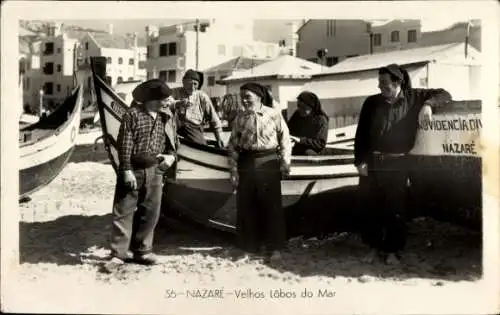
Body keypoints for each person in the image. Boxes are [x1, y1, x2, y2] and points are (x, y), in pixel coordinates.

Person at [354, 63, 451, 265]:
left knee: (395, 209)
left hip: (398, 163)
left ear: (397, 82)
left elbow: (445, 94)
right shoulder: (371, 103)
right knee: (369, 207)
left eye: (384, 82)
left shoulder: (414, 98)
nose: (379, 86)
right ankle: (373, 248)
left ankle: (391, 251)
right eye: (379, 82)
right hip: (372, 162)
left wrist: (428, 105)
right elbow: (361, 134)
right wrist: (360, 161)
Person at [103, 79, 178, 272]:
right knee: (124, 212)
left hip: (155, 169)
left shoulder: (165, 117)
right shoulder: (132, 115)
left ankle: (142, 251)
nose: (168, 102)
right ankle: (118, 255)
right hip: (133, 169)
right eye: (165, 98)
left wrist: (170, 157)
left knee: (150, 212)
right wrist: (126, 170)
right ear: (153, 99)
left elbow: (172, 142)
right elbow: (125, 144)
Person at [227, 82, 292, 261]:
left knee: (271, 206)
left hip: (269, 162)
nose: (244, 101)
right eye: (242, 97)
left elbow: (284, 139)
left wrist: (285, 162)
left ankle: (275, 248)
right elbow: (232, 144)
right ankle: (248, 248)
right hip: (246, 162)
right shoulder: (240, 117)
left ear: (259, 97)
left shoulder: (273, 114)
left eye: (247, 97)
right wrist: (233, 170)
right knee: (246, 206)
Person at [166, 69, 224, 147]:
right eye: (189, 83)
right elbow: (166, 103)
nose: (192, 87)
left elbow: (214, 119)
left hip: (193, 128)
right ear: (183, 82)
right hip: (175, 126)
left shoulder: (202, 96)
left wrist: (219, 138)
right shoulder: (174, 92)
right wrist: (178, 103)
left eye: (195, 84)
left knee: (201, 147)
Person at [287, 91, 329, 156]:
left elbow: (320, 143)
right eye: (298, 106)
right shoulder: (297, 115)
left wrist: (300, 140)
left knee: (307, 152)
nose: (300, 109)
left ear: (311, 107)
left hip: (312, 152)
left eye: (303, 107)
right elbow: (287, 129)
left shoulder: (321, 120)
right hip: (296, 148)